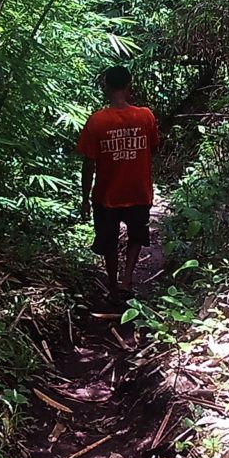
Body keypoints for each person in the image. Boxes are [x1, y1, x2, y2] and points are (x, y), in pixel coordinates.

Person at [76, 66, 160, 304]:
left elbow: (88, 164)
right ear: (129, 85)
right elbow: (152, 147)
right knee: (136, 235)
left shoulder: (97, 121)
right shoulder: (145, 116)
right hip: (139, 191)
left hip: (106, 195)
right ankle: (127, 279)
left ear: (107, 87)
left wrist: (85, 198)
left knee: (108, 241)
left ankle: (113, 284)